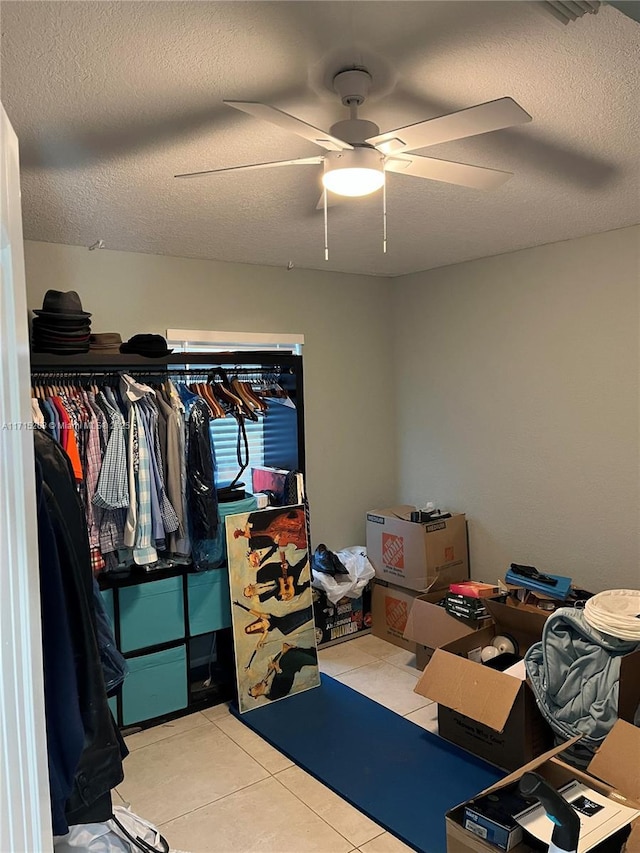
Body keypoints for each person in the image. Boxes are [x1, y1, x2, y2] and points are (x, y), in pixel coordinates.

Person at [248, 643, 318, 701]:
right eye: (255, 690)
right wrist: (278, 670)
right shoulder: (273, 695)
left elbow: (275, 662)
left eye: (253, 687)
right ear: (256, 696)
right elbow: (286, 685)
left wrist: (282, 653)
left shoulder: (265, 679)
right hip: (294, 666)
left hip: (291, 657)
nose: (255, 686)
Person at [233, 507, 307, 557]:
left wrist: (248, 525)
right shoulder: (256, 546)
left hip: (282, 517)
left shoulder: (254, 521)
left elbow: (256, 514)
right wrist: (276, 542)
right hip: (281, 534)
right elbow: (274, 548)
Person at [243, 550, 310, 603]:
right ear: (251, 596)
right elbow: (273, 595)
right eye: (249, 591)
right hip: (286, 588)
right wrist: (281, 598)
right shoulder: (262, 598)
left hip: (285, 574)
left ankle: (309, 553)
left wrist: (282, 565)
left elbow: (271, 566)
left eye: (249, 587)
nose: (250, 588)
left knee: (301, 564)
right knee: (299, 590)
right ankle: (310, 583)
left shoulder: (260, 574)